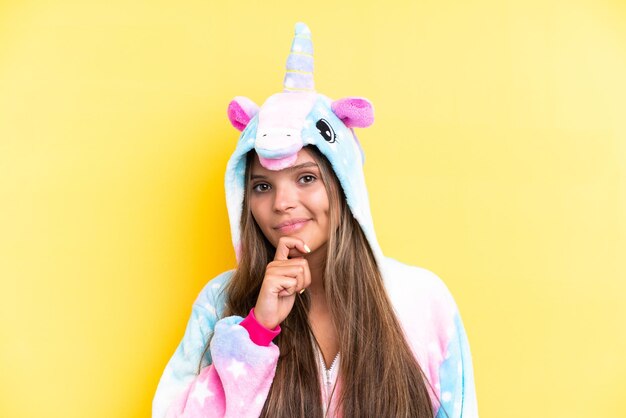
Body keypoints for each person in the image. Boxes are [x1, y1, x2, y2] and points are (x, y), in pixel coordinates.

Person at [152, 22, 478, 418]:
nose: (282, 203)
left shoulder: (422, 301)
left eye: (306, 178)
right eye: (261, 187)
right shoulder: (220, 304)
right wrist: (256, 333)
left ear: (343, 184)